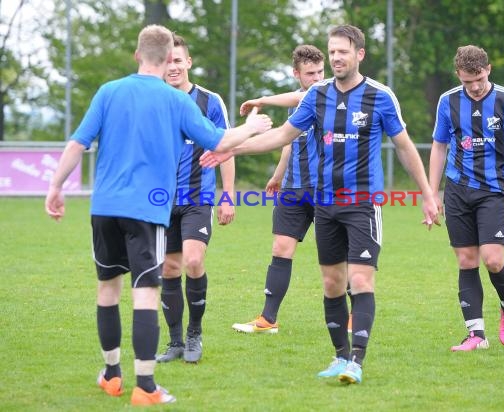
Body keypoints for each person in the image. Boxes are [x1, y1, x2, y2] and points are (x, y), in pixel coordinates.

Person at [44, 25, 271, 406]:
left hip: (104, 209)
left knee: (107, 290)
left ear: (137, 55)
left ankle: (112, 375)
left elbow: (77, 143)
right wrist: (249, 127)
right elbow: (219, 142)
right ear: (168, 60)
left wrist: (55, 186)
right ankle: (145, 386)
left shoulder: (108, 92)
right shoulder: (175, 101)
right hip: (146, 211)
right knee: (145, 293)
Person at [201, 24, 439, 385]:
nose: (336, 58)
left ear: (359, 54)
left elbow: (404, 146)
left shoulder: (380, 96)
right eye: (332, 52)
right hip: (324, 204)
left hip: (361, 202)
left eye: (343, 52)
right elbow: (282, 136)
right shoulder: (317, 96)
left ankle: (356, 362)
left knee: (360, 280)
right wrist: (230, 148)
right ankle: (340, 356)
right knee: (331, 283)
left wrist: (427, 194)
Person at [429, 45, 504, 352]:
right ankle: (476, 335)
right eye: (466, 81)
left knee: (494, 260)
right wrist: (432, 193)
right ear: (458, 76)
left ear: (488, 69)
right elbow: (438, 146)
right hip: (458, 189)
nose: (473, 87)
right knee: (466, 260)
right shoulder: (448, 101)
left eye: (478, 78)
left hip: (494, 189)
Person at [231, 44, 329, 334]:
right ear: (296, 73)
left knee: (335, 254)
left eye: (320, 71)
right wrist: (277, 175)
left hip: (326, 187)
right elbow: (289, 141)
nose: (317, 78)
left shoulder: (330, 94)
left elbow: (302, 96)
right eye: (310, 73)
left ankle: (351, 317)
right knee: (281, 249)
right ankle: (268, 319)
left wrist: (261, 99)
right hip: (293, 187)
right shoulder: (295, 104)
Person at [155, 35, 235, 364]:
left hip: (197, 197)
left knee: (192, 261)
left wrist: (227, 195)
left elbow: (225, 147)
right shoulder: (153, 100)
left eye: (178, 60)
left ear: (188, 63)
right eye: (167, 61)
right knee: (169, 269)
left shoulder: (209, 100)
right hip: (158, 200)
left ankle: (194, 334)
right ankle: (174, 342)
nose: (173, 67)